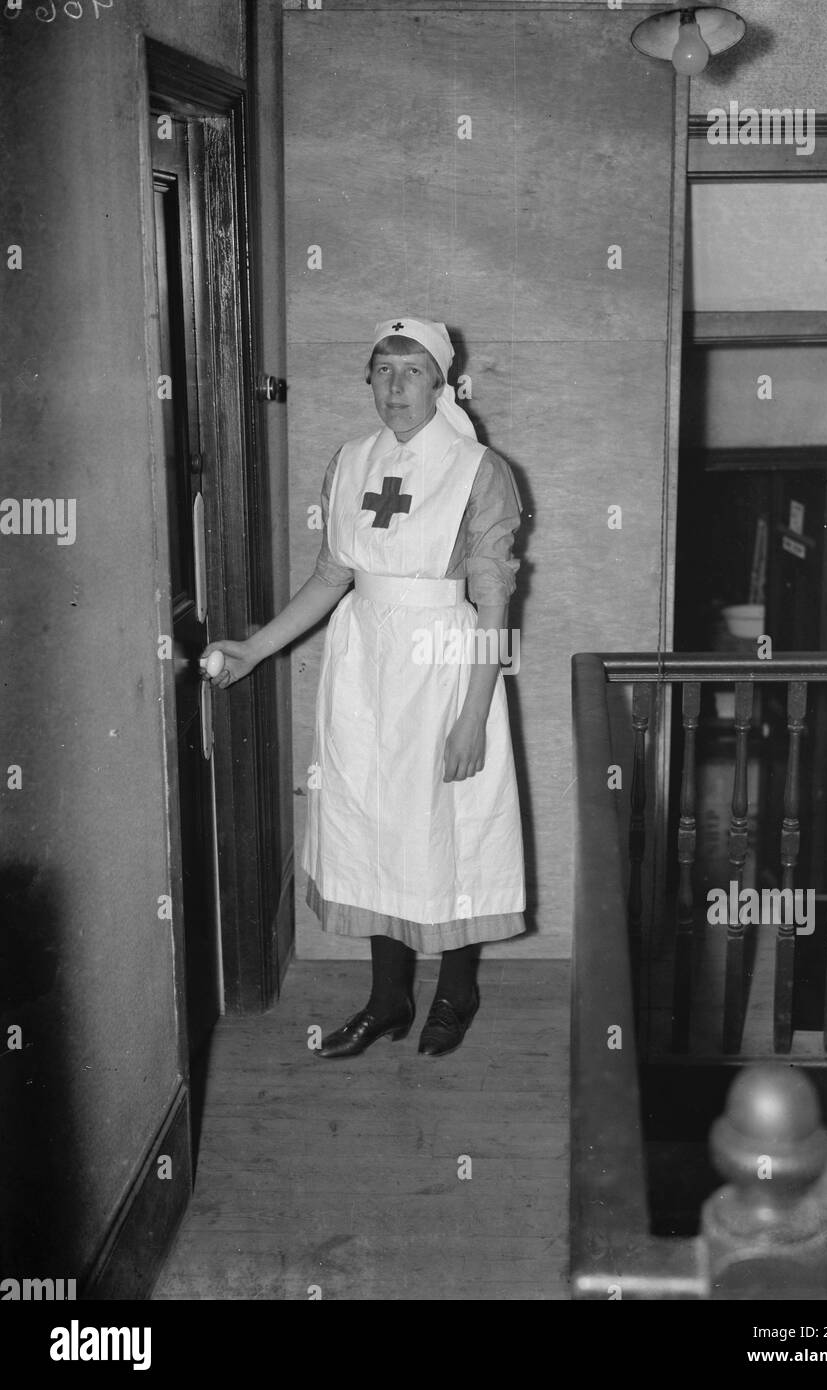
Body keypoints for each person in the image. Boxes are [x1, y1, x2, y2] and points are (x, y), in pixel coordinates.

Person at [202, 316, 525, 1058]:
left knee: (446, 828)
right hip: (363, 671)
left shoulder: (479, 470)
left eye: (412, 371)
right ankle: (387, 1001)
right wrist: (253, 649)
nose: (395, 386)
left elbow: (495, 602)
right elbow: (330, 575)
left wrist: (473, 715)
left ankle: (456, 990)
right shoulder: (350, 461)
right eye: (382, 369)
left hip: (445, 666)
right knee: (376, 825)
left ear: (443, 383)